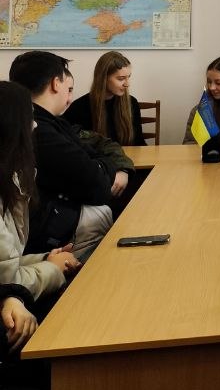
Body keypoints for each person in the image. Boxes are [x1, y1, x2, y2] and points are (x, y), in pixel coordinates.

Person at [8, 52, 132, 257]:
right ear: (56, 83)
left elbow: (99, 149)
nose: (70, 97)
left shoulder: (48, 121)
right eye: (69, 88)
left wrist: (106, 165)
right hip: (51, 234)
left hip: (52, 220)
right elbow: (98, 186)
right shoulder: (38, 130)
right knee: (107, 214)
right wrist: (106, 166)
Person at [0, 81, 79, 304]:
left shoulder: (11, 177)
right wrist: (53, 268)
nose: (34, 125)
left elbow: (6, 265)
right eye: (29, 117)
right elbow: (8, 283)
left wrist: (46, 259)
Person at [65, 51, 147, 146]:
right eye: (121, 79)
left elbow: (139, 142)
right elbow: (69, 145)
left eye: (128, 77)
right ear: (103, 78)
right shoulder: (79, 107)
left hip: (128, 155)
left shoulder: (132, 103)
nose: (127, 84)